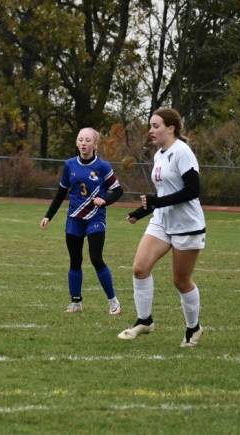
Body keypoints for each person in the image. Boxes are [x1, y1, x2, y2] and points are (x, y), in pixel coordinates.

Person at [118, 108, 206, 347]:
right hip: (162, 221)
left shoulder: (183, 152)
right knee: (139, 269)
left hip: (186, 225)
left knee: (181, 280)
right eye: (150, 125)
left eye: (155, 126)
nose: (151, 130)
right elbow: (163, 195)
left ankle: (193, 328)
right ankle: (144, 320)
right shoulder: (159, 155)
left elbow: (192, 191)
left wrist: (157, 202)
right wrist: (142, 212)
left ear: (171, 128)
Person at [40, 128, 124, 315]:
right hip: (74, 219)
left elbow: (118, 190)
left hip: (95, 218)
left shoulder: (103, 167)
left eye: (88, 140)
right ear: (77, 143)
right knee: (75, 260)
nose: (84, 143)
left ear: (95, 144)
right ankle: (76, 302)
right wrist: (48, 215)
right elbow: (61, 193)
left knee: (96, 258)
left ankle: (113, 302)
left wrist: (106, 200)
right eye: (80, 140)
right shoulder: (69, 165)